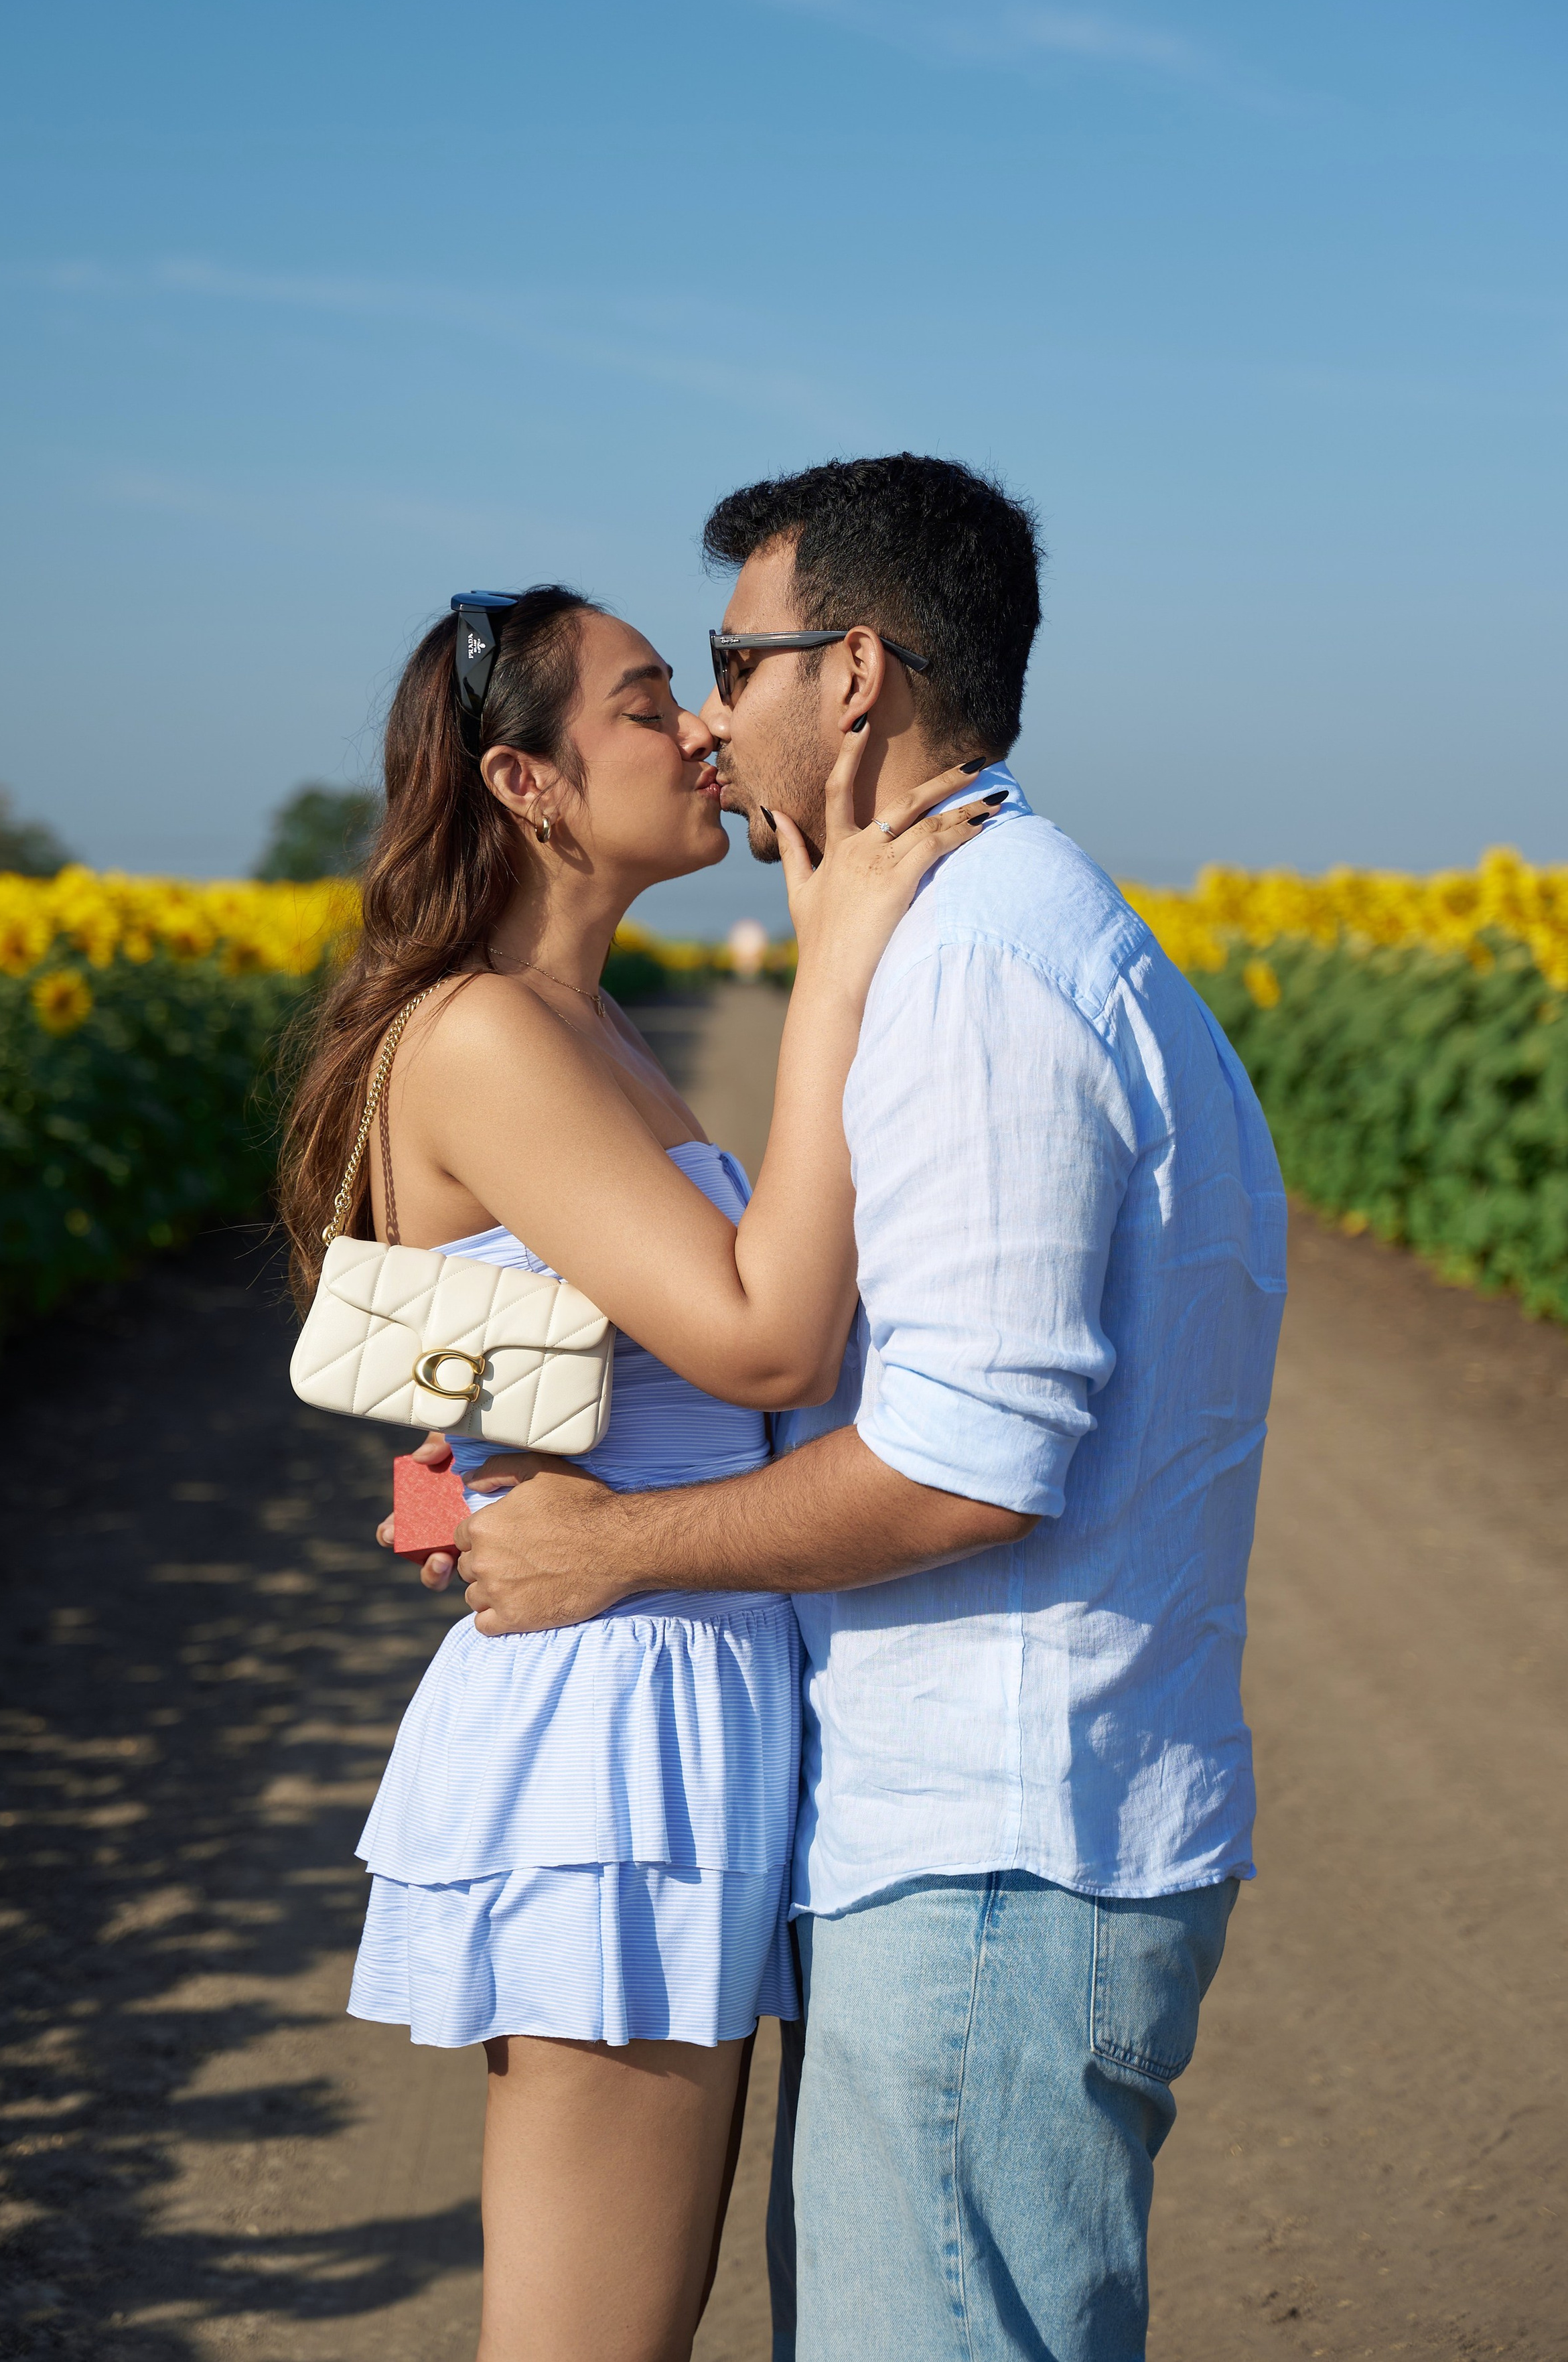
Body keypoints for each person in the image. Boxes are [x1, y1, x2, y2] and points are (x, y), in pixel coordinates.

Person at [439, 460, 1289, 2361]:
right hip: (1003, 1817)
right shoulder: (1010, 924)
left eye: (732, 662)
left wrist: (606, 1546)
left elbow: (962, 1464)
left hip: (994, 1833)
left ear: (859, 676)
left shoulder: (975, 969)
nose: (714, 720)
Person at [277, 582, 996, 2362]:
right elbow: (765, 1345)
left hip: (672, 1668)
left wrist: (449, 1491)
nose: (699, 728)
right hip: (620, 1720)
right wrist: (835, 961)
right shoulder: (493, 1036)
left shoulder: (584, 1030)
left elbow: (442, 1367)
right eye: (648, 698)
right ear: (528, 784)